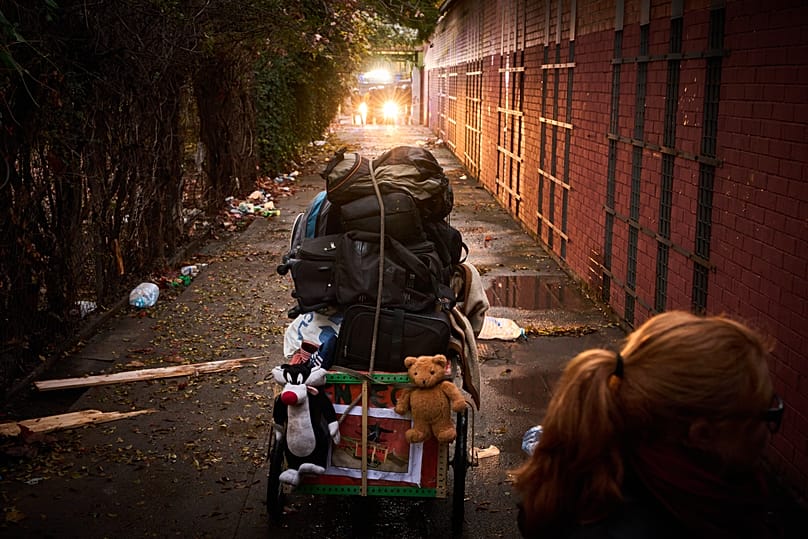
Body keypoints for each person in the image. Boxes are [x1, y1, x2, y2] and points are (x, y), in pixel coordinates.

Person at [513, 310, 784, 539]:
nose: (767, 434)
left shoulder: (593, 477)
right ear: (702, 434)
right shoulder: (685, 515)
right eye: (766, 415)